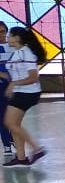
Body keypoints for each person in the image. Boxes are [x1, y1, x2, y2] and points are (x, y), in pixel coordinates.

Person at [2, 27, 48, 168]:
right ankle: (21, 158)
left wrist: (13, 84)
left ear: (18, 38)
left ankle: (36, 149)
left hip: (27, 92)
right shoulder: (18, 52)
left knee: (9, 123)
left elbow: (33, 77)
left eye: (10, 35)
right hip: (21, 91)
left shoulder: (26, 53)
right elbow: (13, 75)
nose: (7, 38)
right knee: (15, 125)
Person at [0, 21, 13, 156]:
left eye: (3, 32)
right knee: (2, 115)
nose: (1, 35)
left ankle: (11, 137)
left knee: (14, 115)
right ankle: (6, 144)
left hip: (14, 85)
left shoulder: (13, 47)